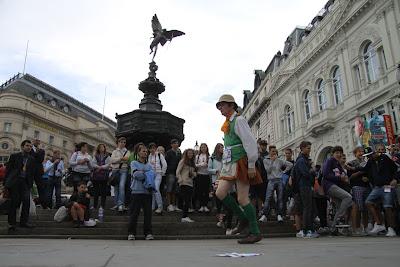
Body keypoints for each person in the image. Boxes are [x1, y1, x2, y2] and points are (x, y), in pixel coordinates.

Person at [214, 94, 263, 244]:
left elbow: (250, 143)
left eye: (222, 105)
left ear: (230, 105)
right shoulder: (228, 123)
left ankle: (255, 232)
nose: (220, 108)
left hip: (241, 161)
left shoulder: (239, 120)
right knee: (220, 192)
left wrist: (251, 165)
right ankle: (242, 218)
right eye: (219, 106)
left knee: (242, 198)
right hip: (229, 163)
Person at [355, 144, 398, 237]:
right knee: (368, 202)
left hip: (387, 186)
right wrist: (352, 168)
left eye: (370, 155)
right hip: (377, 187)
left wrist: (395, 179)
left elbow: (396, 168)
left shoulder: (385, 158)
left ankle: (391, 228)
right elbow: (364, 169)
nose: (369, 157)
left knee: (387, 207)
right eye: (367, 156)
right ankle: (379, 224)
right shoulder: (371, 161)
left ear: (375, 152)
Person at [5, 140, 36, 230]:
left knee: (26, 202)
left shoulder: (31, 159)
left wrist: (30, 184)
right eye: (27, 145)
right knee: (13, 202)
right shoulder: (14, 156)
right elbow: (8, 170)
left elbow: (32, 173)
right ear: (22, 147)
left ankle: (24, 222)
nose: (29, 147)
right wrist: (6, 183)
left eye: (30, 146)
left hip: (25, 183)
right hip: (15, 182)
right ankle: (12, 223)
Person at [290, 141, 318, 238]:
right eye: (308, 148)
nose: (309, 150)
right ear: (302, 148)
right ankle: (307, 230)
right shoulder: (301, 160)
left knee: (306, 207)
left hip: (304, 186)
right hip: (304, 186)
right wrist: (312, 170)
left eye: (310, 148)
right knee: (307, 208)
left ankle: (307, 229)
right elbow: (305, 173)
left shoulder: (303, 159)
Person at [322, 146, 353, 234]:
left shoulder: (338, 164)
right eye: (337, 153)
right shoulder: (330, 160)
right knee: (348, 197)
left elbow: (343, 175)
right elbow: (326, 174)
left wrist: (345, 176)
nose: (339, 155)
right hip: (329, 186)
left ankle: (333, 229)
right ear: (333, 154)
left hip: (336, 186)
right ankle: (340, 217)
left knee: (340, 207)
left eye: (340, 153)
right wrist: (339, 177)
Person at [259, 146, 293, 223]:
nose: (274, 153)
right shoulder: (266, 160)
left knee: (280, 198)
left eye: (275, 151)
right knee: (268, 197)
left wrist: (284, 171)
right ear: (269, 152)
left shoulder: (279, 160)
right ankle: (264, 215)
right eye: (272, 151)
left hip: (279, 180)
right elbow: (268, 171)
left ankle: (279, 214)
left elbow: (290, 165)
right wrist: (272, 161)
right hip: (271, 180)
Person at [128, 144, 154, 241]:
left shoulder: (149, 165)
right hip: (136, 191)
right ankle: (131, 233)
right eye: (143, 151)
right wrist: (146, 173)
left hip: (147, 192)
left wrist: (143, 172)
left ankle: (148, 233)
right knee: (134, 213)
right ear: (138, 152)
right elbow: (136, 175)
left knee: (148, 214)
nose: (145, 153)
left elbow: (152, 175)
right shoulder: (134, 163)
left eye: (146, 151)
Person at [347, 146, 370, 235]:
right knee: (358, 208)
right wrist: (361, 172)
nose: (361, 153)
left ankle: (366, 227)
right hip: (357, 187)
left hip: (367, 187)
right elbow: (350, 177)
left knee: (366, 208)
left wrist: (367, 178)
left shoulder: (367, 163)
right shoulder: (351, 163)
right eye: (359, 152)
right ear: (355, 153)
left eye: (362, 151)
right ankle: (357, 228)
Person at [110, 137, 130, 212]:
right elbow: (112, 160)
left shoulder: (127, 151)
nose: (123, 144)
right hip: (115, 171)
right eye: (121, 142)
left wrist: (118, 159)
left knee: (122, 186)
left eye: (124, 142)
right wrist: (121, 159)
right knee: (116, 188)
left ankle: (121, 204)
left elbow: (127, 160)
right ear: (118, 143)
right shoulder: (115, 151)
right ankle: (117, 204)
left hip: (124, 170)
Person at [177, 149, 197, 223]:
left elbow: (193, 173)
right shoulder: (183, 161)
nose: (190, 154)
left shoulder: (192, 163)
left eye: (192, 153)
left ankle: (185, 216)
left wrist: (194, 174)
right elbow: (178, 171)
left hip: (190, 183)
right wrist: (180, 179)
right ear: (186, 154)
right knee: (186, 200)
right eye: (189, 153)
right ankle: (184, 216)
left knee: (188, 200)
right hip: (184, 182)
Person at [148, 143, 167, 214]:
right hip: (151, 175)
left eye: (153, 148)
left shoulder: (159, 155)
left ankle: (160, 207)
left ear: (155, 148)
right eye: (151, 148)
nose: (152, 149)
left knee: (156, 188)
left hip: (158, 174)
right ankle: (152, 206)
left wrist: (162, 172)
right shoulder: (149, 156)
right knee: (152, 190)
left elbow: (164, 164)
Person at [251, 140, 268, 214]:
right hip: (253, 178)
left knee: (260, 195)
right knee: (253, 196)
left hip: (262, 178)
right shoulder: (252, 157)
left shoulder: (263, 157)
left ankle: (260, 210)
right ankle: (253, 211)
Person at [91, 144, 111, 209]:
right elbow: (93, 164)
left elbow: (108, 164)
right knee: (96, 191)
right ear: (98, 148)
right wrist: (98, 167)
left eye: (103, 147)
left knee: (103, 191)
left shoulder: (107, 156)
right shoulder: (95, 156)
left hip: (104, 176)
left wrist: (101, 167)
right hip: (96, 176)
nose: (102, 148)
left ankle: (102, 206)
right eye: (100, 147)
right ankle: (95, 206)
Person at [208, 143, 224, 225]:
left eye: (223, 147)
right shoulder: (212, 158)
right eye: (221, 147)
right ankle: (218, 212)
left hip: (224, 180)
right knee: (217, 197)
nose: (222, 149)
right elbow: (209, 169)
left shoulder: (225, 158)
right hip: (216, 180)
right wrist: (216, 171)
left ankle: (222, 213)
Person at [165, 139, 182, 212]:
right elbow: (166, 162)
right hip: (170, 172)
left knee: (175, 190)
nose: (176, 144)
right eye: (174, 143)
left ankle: (174, 205)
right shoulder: (169, 152)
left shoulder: (179, 153)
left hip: (177, 173)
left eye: (177, 143)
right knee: (169, 189)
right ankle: (169, 205)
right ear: (171, 144)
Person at [194, 143, 211, 212]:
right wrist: (201, 165)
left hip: (206, 175)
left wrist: (207, 165)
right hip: (199, 174)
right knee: (200, 190)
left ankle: (205, 205)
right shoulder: (197, 156)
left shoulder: (209, 157)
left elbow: (210, 166)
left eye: (205, 147)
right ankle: (201, 205)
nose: (203, 148)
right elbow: (195, 165)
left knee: (206, 191)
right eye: (202, 147)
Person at [30, 139, 46, 209]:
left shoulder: (42, 151)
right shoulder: (30, 149)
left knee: (40, 187)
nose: (37, 142)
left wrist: (35, 155)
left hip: (38, 171)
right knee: (28, 185)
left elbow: (40, 159)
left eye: (38, 141)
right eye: (36, 140)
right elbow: (31, 158)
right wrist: (36, 155)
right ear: (33, 141)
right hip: (30, 170)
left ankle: (42, 203)